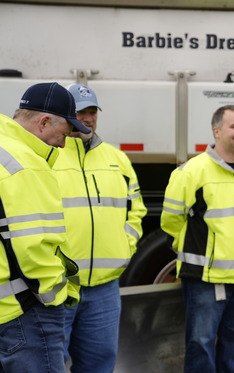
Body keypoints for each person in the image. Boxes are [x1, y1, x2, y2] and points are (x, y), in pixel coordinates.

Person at [161, 104, 234, 373]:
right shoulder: (191, 172)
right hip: (207, 280)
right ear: (216, 131)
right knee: (200, 346)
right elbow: (171, 222)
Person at [54, 84, 147, 373]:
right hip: (59, 288)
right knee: (50, 366)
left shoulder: (117, 159)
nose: (88, 118)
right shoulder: (49, 157)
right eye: (81, 111)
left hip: (105, 291)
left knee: (99, 366)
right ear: (67, 115)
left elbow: (136, 211)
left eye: (93, 111)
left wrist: (124, 247)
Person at [0, 82, 91, 372]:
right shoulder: (27, 164)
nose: (64, 144)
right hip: (26, 312)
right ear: (43, 122)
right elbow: (33, 247)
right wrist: (58, 295)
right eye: (64, 134)